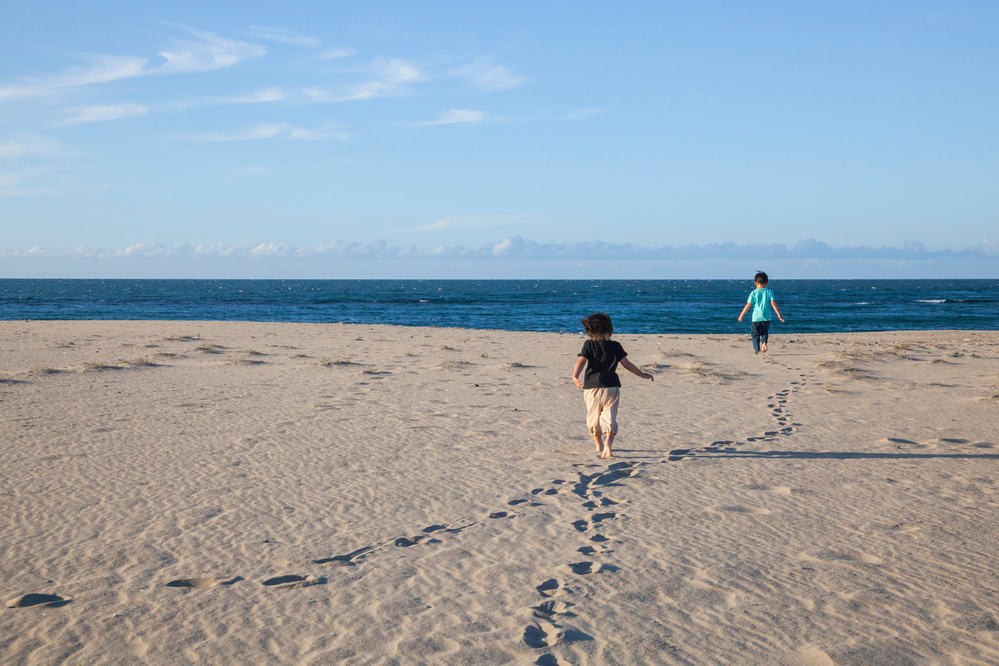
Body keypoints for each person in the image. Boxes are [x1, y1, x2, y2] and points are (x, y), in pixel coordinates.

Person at [571, 312, 653, 459]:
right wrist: (642, 374)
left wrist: (575, 376)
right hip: (611, 388)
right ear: (610, 330)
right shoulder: (616, 346)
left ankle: (599, 445)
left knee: (593, 418)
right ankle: (608, 442)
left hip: (592, 388)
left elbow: (581, 361)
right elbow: (627, 364)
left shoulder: (588, 345)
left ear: (590, 331)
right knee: (609, 417)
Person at [738, 271, 785, 354]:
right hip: (766, 317)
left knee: (755, 334)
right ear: (767, 283)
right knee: (764, 332)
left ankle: (757, 349)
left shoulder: (753, 293)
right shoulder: (769, 292)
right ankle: (764, 342)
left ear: (755, 283)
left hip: (756, 318)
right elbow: (773, 303)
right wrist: (779, 315)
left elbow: (748, 305)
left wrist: (741, 315)